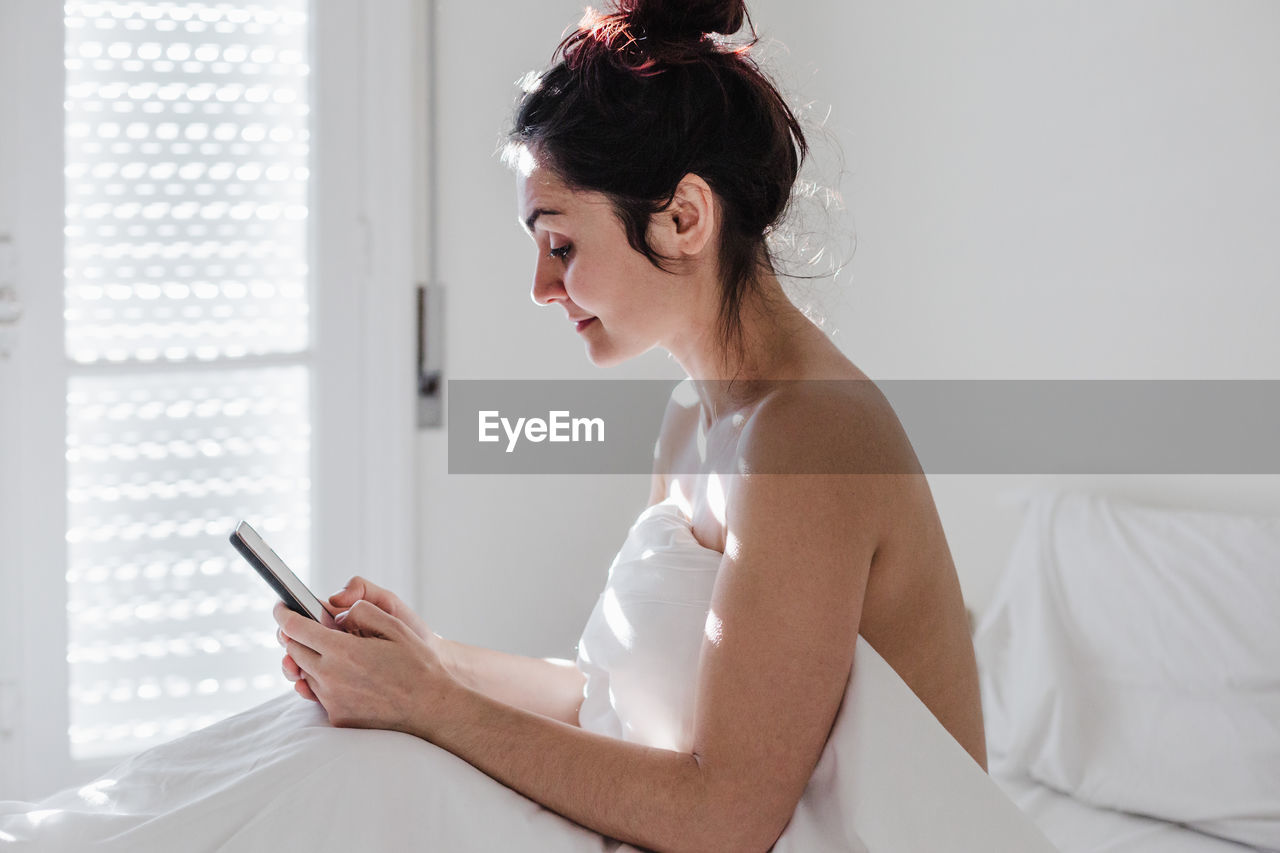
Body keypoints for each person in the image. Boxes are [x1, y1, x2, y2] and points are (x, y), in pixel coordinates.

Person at [273, 0, 986, 850]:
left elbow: (726, 815)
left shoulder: (811, 438)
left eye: (561, 245)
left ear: (684, 218)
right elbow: (609, 694)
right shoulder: (694, 422)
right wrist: (426, 662)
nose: (541, 285)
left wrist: (432, 705)